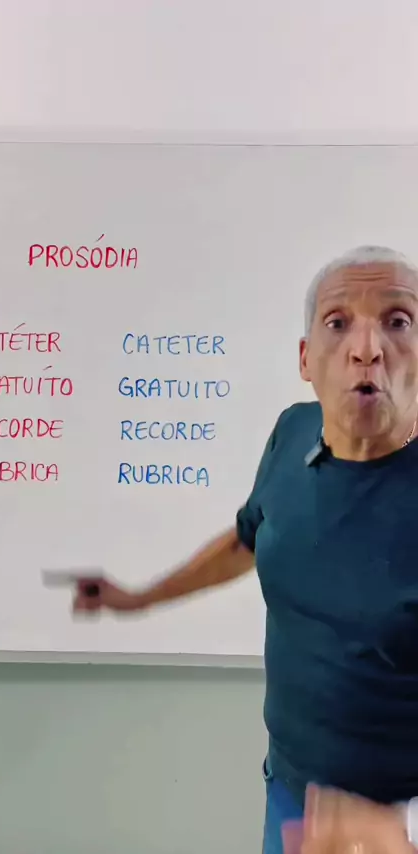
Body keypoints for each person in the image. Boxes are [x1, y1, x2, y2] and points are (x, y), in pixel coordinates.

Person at [73, 245, 418, 854]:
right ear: (306, 359)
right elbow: (249, 536)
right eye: (338, 322)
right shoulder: (294, 432)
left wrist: (397, 828)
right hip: (290, 793)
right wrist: (141, 599)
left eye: (398, 320)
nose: (367, 347)